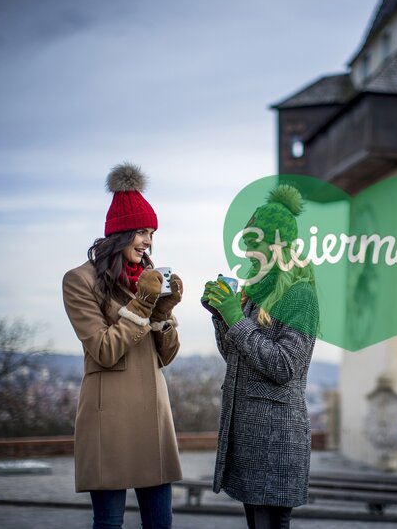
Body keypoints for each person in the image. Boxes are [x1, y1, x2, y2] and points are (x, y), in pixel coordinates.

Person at [62, 163, 183, 529]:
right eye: (142, 232)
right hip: (108, 420)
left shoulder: (147, 280)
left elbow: (167, 355)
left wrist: (162, 311)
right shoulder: (79, 281)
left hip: (153, 416)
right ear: (120, 234)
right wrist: (143, 304)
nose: (147, 241)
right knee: (109, 523)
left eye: (151, 233)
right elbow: (103, 349)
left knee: (160, 524)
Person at [202, 184, 319, 529]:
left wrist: (235, 319)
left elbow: (284, 366)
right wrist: (222, 317)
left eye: (255, 243)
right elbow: (235, 358)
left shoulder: (300, 296)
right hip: (253, 441)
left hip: (276, 442)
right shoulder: (257, 292)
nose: (249, 252)